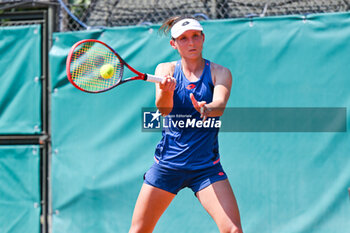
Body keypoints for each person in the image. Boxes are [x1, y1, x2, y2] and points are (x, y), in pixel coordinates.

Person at [129, 16, 243, 233]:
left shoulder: (220, 72)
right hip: (168, 166)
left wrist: (207, 109)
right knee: (138, 231)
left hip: (205, 168)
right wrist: (166, 91)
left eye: (195, 36)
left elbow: (219, 105)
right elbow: (163, 110)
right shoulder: (165, 70)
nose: (191, 43)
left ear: (203, 38)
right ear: (174, 44)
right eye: (183, 38)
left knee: (233, 230)